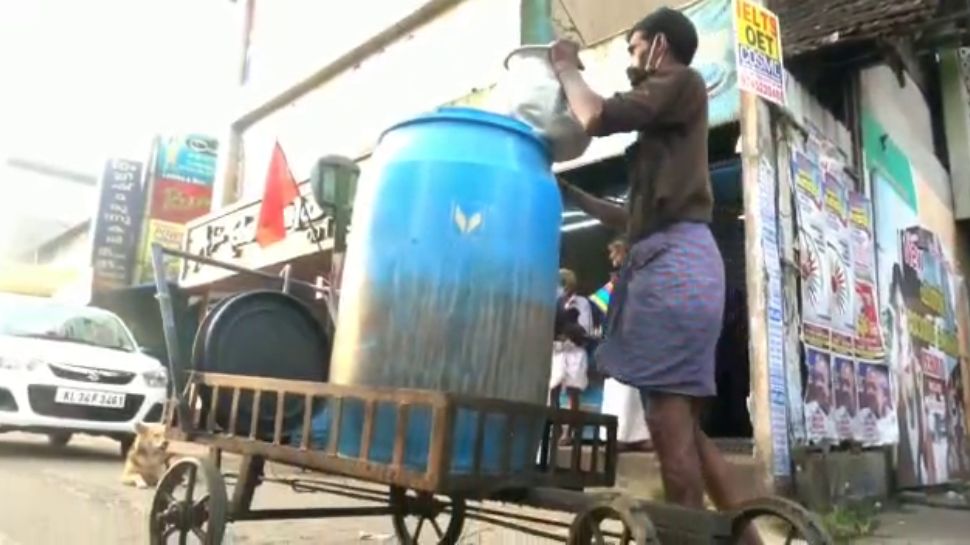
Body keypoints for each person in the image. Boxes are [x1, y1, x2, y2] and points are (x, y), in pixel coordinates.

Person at [550, 8, 761, 542]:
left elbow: (594, 116)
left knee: (670, 432)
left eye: (635, 46)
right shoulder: (674, 121)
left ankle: (685, 535)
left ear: (659, 44)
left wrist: (565, 67)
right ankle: (752, 539)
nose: (632, 57)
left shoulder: (680, 81)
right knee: (686, 426)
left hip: (674, 271)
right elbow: (631, 218)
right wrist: (573, 195)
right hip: (680, 262)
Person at [596, 239, 652, 452]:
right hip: (620, 338)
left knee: (631, 390)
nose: (612, 259)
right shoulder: (622, 279)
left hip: (631, 338)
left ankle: (633, 436)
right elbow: (604, 307)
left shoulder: (634, 277)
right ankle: (619, 435)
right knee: (621, 389)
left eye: (615, 254)